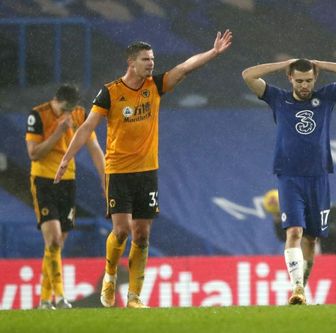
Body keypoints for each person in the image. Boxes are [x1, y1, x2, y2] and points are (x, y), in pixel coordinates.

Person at [54, 30, 233, 308]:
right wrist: (66, 158)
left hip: (147, 171)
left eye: (152, 58)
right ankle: (110, 276)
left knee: (142, 233)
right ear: (131, 63)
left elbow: (185, 67)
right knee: (122, 230)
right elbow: (88, 126)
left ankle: (135, 296)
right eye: (145, 59)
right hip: (118, 171)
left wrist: (213, 52)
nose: (151, 63)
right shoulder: (110, 92)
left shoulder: (155, 86)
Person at [243, 58, 336, 304]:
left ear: (315, 78)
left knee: (311, 238)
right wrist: (282, 64)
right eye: (299, 81)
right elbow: (248, 75)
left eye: (308, 80)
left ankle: (301, 289)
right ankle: (296, 287)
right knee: (294, 231)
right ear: (290, 78)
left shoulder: (326, 97)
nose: (304, 85)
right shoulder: (278, 99)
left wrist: (320, 64)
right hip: (289, 176)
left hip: (318, 177)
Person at [25, 84, 105, 309]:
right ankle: (59, 298)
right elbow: (33, 154)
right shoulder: (38, 115)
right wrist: (59, 133)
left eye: (73, 108)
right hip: (43, 181)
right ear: (57, 101)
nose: (70, 113)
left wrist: (104, 180)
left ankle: (43, 299)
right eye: (66, 108)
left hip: (68, 182)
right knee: (52, 239)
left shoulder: (80, 114)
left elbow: (95, 149)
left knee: (57, 243)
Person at [262, 189, 336, 287]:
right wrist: (278, 218)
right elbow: (284, 236)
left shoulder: (333, 211)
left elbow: (334, 230)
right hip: (330, 267)